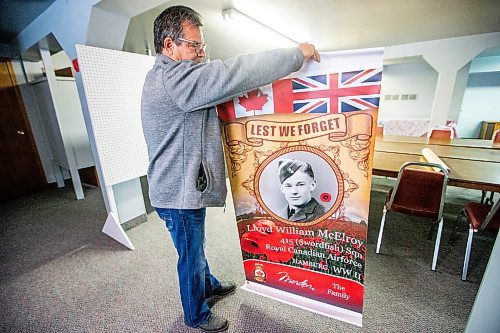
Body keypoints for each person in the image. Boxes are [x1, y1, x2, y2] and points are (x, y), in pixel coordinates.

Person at [141, 5, 320, 332]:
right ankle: (196, 315)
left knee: (194, 246)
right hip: (177, 195)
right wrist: (295, 55)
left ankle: (207, 285)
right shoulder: (176, 78)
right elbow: (233, 72)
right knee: (190, 256)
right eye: (194, 46)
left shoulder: (166, 76)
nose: (201, 54)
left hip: (176, 188)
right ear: (169, 46)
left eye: (201, 46)